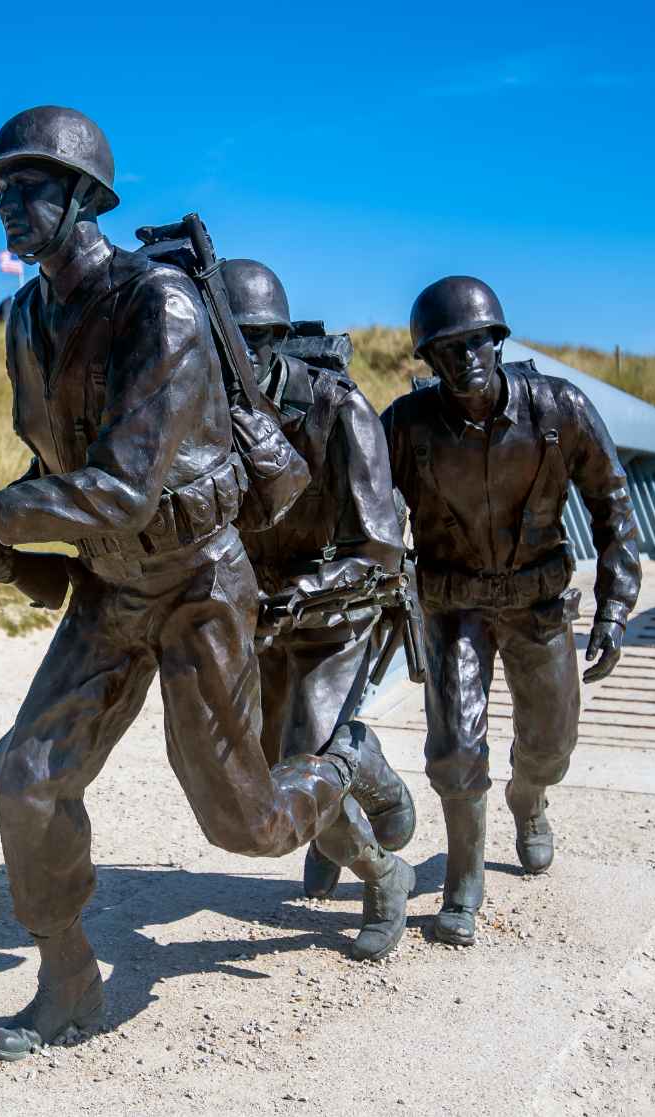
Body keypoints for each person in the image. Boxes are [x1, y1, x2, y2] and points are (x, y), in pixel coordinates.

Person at [0, 107, 415, 1059]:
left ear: (85, 195)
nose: (8, 202)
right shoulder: (29, 319)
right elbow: (57, 475)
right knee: (26, 777)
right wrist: (7, 551)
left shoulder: (157, 306)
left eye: (29, 184)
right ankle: (69, 979)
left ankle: (343, 763)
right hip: (111, 590)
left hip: (201, 585)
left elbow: (122, 486)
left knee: (243, 825)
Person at [381, 276, 641, 946]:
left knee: (551, 743)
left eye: (476, 341)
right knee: (456, 747)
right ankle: (464, 876)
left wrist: (614, 608)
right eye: (447, 348)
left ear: (498, 341)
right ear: (428, 360)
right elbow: (367, 511)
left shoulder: (560, 410)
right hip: (454, 605)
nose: (465, 357)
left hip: (537, 602)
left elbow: (613, 506)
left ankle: (530, 800)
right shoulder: (406, 429)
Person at [223, 259, 417, 907]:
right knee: (263, 760)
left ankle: (382, 874)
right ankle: (358, 755)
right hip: (263, 612)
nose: (230, 360)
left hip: (339, 605)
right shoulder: (205, 418)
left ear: (275, 339)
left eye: (245, 341)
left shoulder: (341, 411)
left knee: (301, 765)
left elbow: (382, 548)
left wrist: (306, 591)